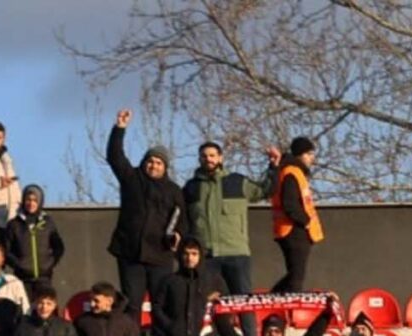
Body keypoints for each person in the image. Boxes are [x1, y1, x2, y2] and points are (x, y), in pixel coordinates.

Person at [103, 109, 184, 319]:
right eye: (150, 161)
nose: (153, 165)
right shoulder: (132, 178)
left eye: (158, 162)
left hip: (160, 255)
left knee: (161, 305)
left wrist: (179, 235)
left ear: (165, 167)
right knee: (132, 305)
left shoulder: (174, 190)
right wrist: (120, 128)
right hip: (131, 254)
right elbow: (114, 156)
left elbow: (181, 219)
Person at [183, 141, 261, 295]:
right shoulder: (191, 187)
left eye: (212, 155)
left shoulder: (237, 182)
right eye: (204, 156)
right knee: (204, 302)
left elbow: (265, 189)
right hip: (206, 256)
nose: (208, 159)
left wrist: (274, 167)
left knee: (242, 302)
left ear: (220, 158)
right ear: (199, 159)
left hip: (236, 254)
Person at [268, 138, 321, 290]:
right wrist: (305, 221)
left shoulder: (294, 172)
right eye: (309, 154)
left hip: (294, 229)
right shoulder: (291, 173)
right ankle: (277, 300)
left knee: (295, 275)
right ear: (299, 155)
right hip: (293, 230)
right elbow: (290, 204)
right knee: (296, 277)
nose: (312, 158)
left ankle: (275, 298)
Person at [3, 184, 64, 293]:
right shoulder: (14, 224)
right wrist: (19, 265)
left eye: (35, 200)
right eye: (28, 200)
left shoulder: (47, 222)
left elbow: (59, 247)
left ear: (40, 202)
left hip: (44, 279)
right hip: (22, 279)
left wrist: (49, 264)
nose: (31, 203)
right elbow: (6, 250)